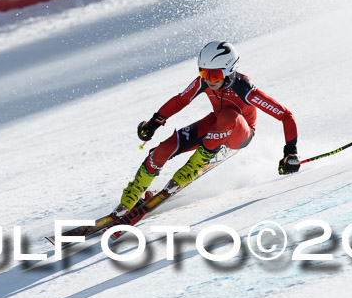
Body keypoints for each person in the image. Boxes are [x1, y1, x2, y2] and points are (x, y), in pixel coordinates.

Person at [114, 41, 300, 217]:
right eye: (203, 73)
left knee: (228, 115)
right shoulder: (204, 82)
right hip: (216, 124)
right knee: (164, 149)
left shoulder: (245, 89)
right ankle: (131, 197)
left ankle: (192, 168)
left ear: (229, 71)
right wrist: (154, 122)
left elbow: (285, 115)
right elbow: (181, 100)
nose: (208, 80)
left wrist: (290, 153)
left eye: (215, 75)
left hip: (240, 134)